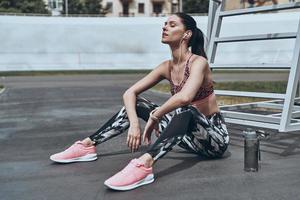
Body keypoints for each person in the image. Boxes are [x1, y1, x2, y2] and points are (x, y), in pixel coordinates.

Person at [50, 13, 230, 191]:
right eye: (164, 24)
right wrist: (134, 124)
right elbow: (130, 93)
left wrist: (156, 115)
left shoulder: (199, 62)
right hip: (187, 139)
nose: (165, 27)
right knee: (138, 104)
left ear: (187, 34)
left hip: (214, 140)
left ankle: (145, 164)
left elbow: (185, 97)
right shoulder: (166, 67)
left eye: (172, 24)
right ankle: (88, 146)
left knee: (186, 109)